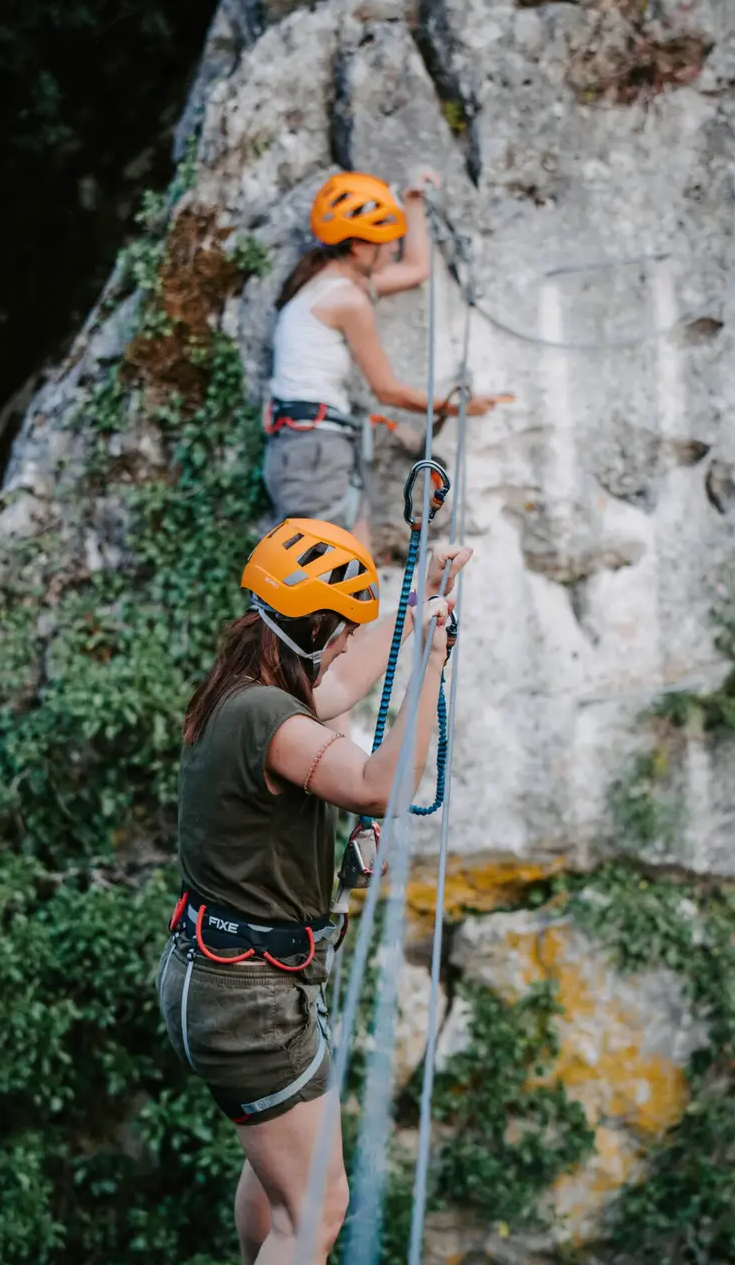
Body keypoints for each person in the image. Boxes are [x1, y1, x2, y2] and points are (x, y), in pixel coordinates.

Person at [158, 516, 471, 1264]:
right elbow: (379, 785)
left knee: (277, 1192)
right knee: (318, 1211)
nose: (341, 647)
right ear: (314, 629)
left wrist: (414, 597)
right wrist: (431, 663)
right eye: (339, 633)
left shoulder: (246, 693)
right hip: (249, 995)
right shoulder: (270, 717)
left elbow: (335, 689)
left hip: (221, 977)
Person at [264, 170, 512, 549]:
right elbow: (388, 390)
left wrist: (413, 202)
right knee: (329, 577)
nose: (394, 249)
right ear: (361, 247)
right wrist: (459, 407)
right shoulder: (348, 300)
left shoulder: (324, 283)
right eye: (387, 241)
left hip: (308, 447)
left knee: (350, 574)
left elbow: (416, 270)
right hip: (315, 450)